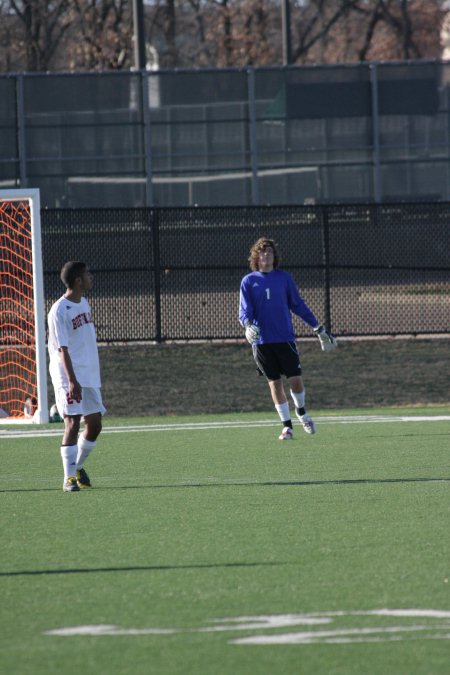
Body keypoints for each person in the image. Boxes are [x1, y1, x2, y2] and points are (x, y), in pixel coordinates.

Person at [239, 237, 337, 440]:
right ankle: (287, 427)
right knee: (274, 383)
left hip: (284, 338)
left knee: (296, 381)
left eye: (270, 252)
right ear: (256, 256)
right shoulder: (249, 281)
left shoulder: (284, 278)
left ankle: (301, 412)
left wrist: (317, 327)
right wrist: (247, 325)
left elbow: (298, 305)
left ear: (275, 257)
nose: (266, 255)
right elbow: (244, 311)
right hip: (262, 342)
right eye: (263, 252)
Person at [47, 261, 106, 492]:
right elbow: (62, 349)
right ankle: (68, 478)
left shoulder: (83, 302)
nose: (91, 276)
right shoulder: (59, 310)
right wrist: (72, 380)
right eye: (87, 274)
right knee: (72, 422)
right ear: (78, 281)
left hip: (88, 372)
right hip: (67, 373)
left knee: (95, 425)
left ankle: (77, 467)